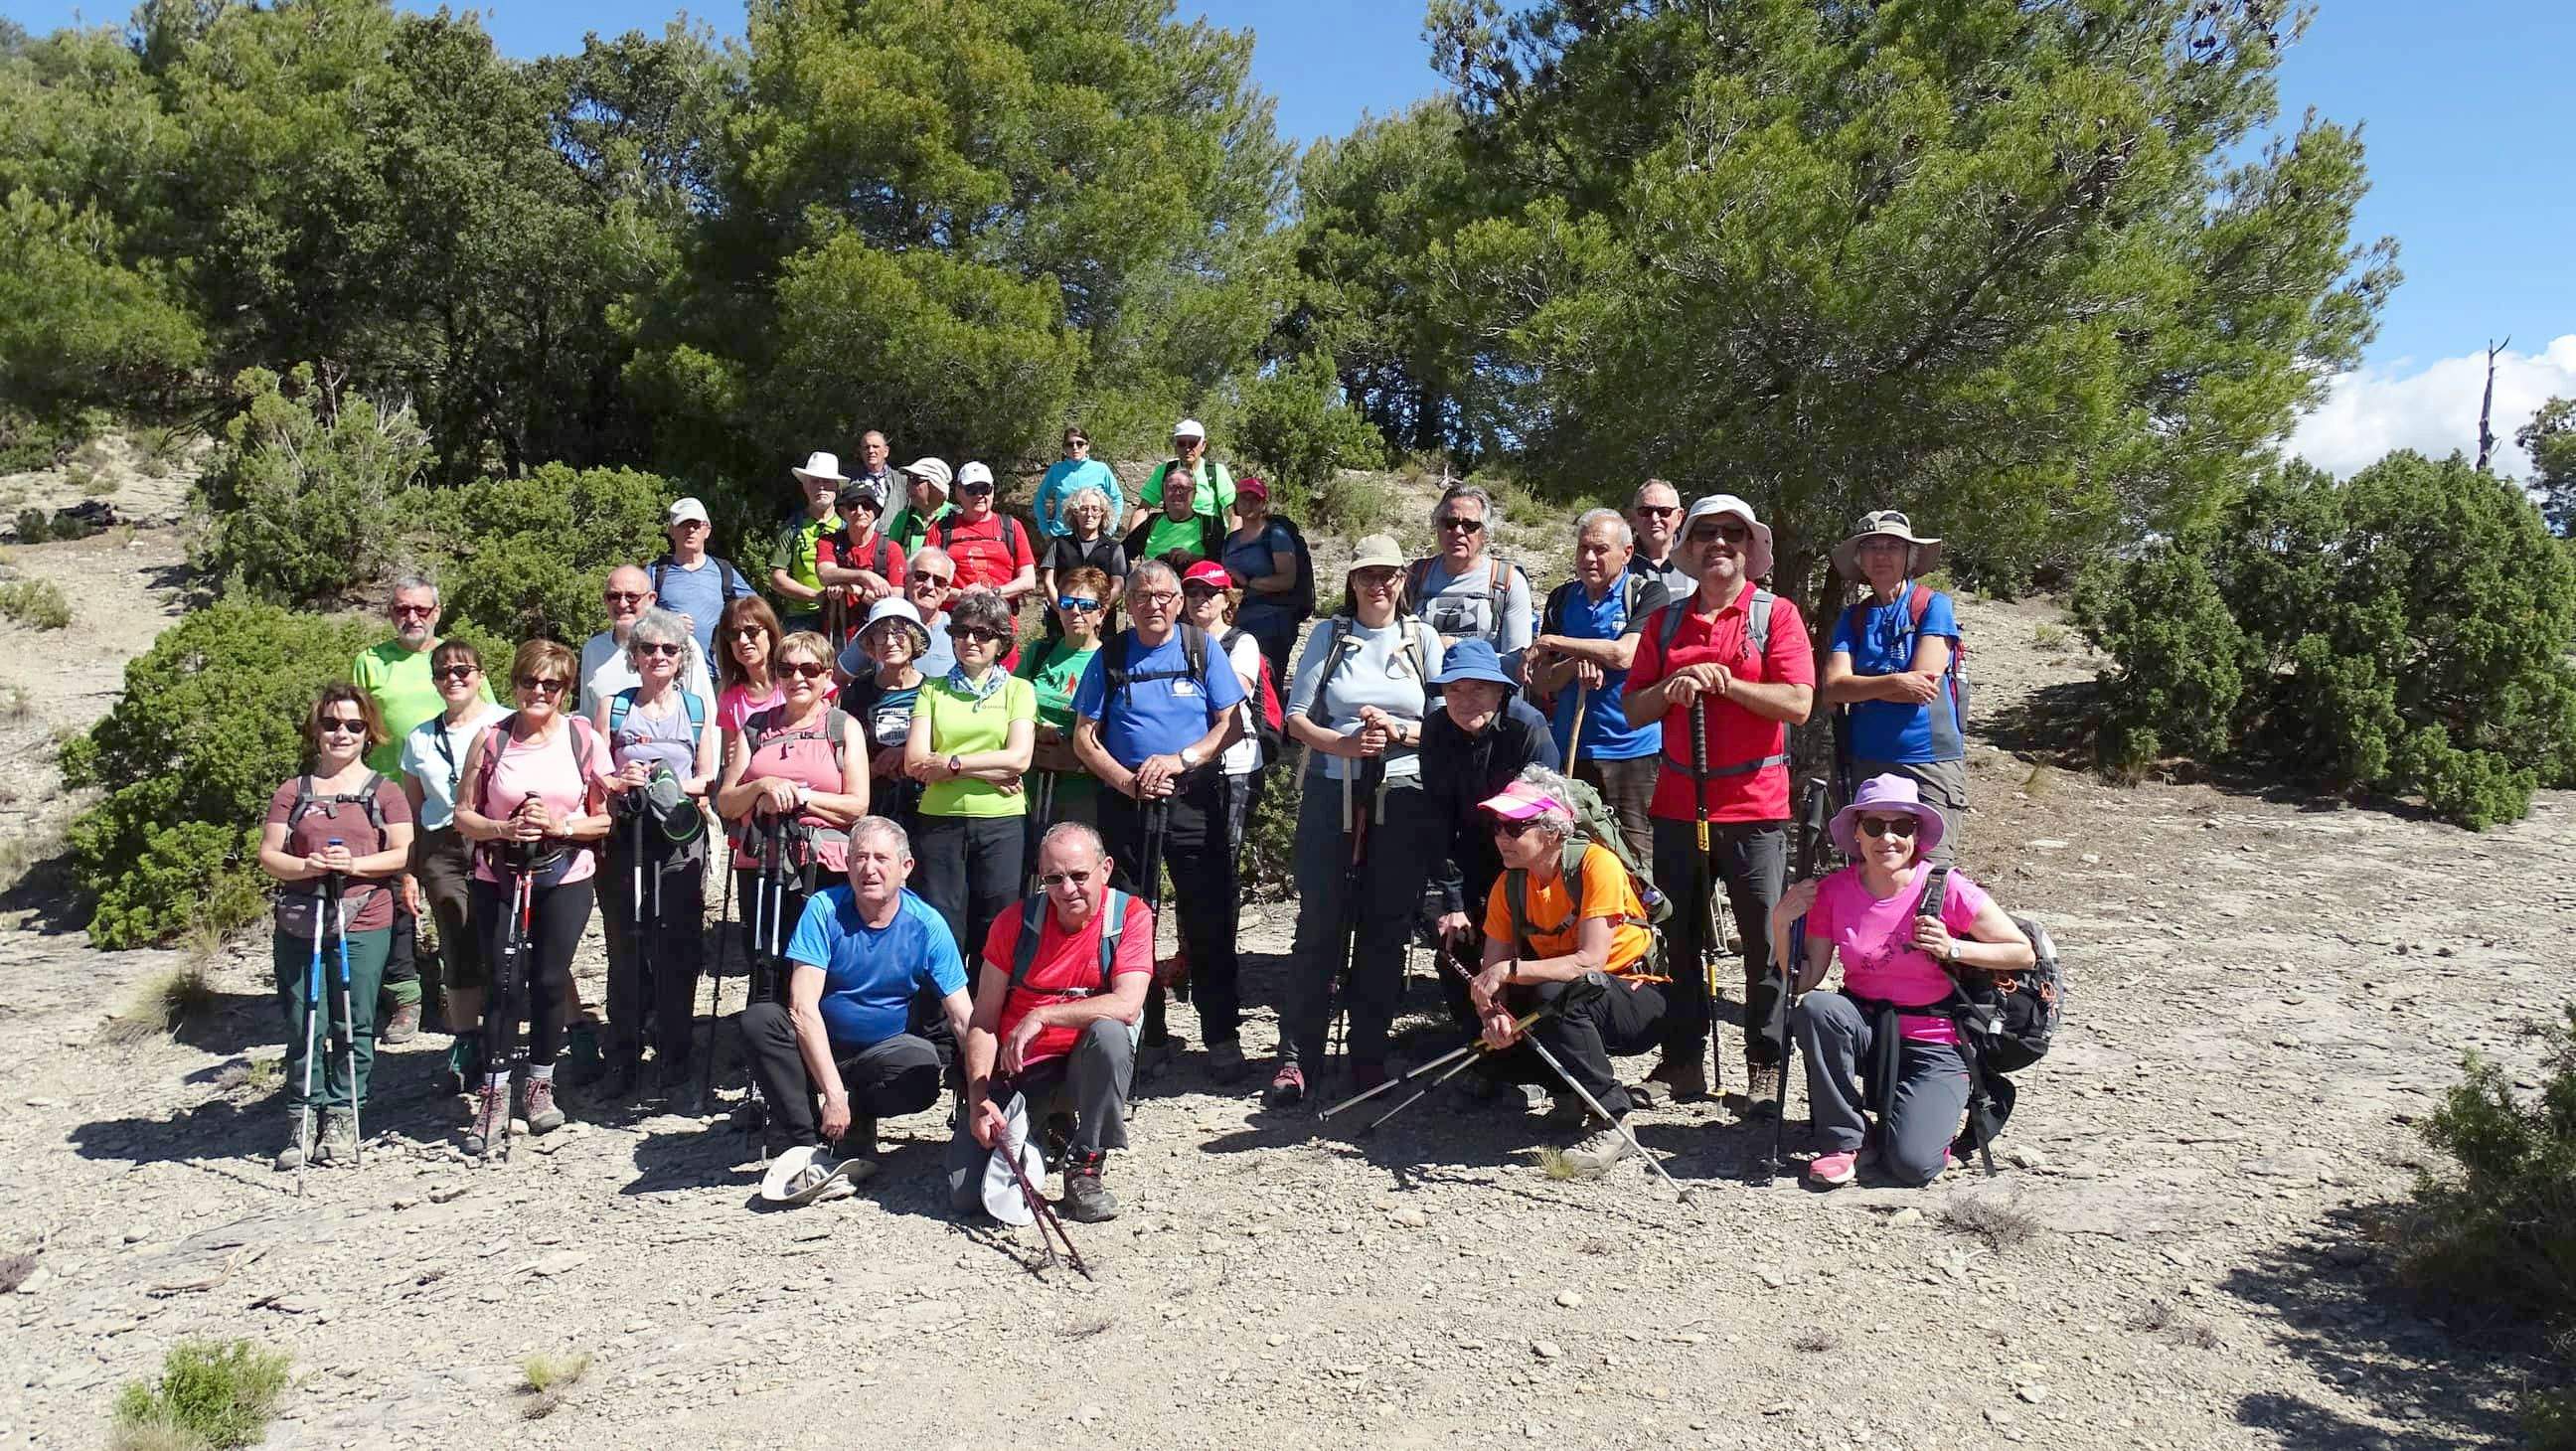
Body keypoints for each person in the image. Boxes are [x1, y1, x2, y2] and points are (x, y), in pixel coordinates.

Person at [1625, 494, 1815, 1103]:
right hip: (1680, 799)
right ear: (1690, 545)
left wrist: (1729, 684)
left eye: (1733, 533)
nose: (1720, 543)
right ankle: (1681, 1060)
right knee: (1678, 936)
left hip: (1756, 804)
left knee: (1764, 937)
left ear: (1749, 546)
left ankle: (1764, 1060)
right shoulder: (1666, 622)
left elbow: (1799, 703)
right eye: (1706, 533)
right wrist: (1673, 688)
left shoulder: (1775, 615)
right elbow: (1633, 708)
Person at [1776, 775, 2031, 1188]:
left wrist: (1954, 949)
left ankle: (1956, 1102)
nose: (1888, 838)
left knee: (1912, 1167)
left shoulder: (1947, 888)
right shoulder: (1834, 891)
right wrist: (1781, 923)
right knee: (1818, 1009)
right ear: (1857, 833)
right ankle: (1844, 1141)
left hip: (1934, 1039)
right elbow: (1803, 981)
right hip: (1865, 1026)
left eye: (1902, 827)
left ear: (1917, 834)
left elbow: (2021, 952)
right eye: (1875, 826)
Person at [1270, 535, 1446, 1105]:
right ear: (1351, 581)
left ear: (1403, 580)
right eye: (1367, 575)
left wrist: (1398, 733)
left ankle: (1369, 1054)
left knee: (1385, 924)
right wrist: (1343, 745)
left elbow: (1445, 724)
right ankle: (1298, 1058)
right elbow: (1296, 717)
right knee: (1319, 922)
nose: (1377, 585)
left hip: (1403, 792)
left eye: (1388, 575)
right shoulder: (1330, 634)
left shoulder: (1423, 639)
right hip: (1332, 787)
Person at [1071, 561, 1247, 1077]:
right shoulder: (1112, 655)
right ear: (1128, 605)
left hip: (1195, 798)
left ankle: (1222, 1036)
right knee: (1131, 922)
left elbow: (1230, 725)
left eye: (1165, 595)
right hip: (1128, 803)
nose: (1155, 604)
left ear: (1179, 601)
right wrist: (1128, 781)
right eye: (1144, 596)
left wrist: (1182, 760)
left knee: (1208, 917)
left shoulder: (1200, 647)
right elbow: (1085, 737)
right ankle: (1146, 1035)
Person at [1461, 768, 1669, 1175]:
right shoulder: (1510, 885)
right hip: (1581, 994)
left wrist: (1510, 970)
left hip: (1639, 996)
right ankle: (1568, 1094)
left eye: (1515, 826)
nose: (1502, 836)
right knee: (1525, 991)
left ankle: (1614, 1119)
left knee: (1554, 991)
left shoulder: (1598, 865)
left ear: (1554, 830)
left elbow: (1590, 960)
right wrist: (1494, 1016)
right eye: (1497, 826)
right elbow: (1490, 977)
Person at [452, 640, 615, 1155]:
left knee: (548, 980)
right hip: (499, 872)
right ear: (516, 683)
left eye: (551, 685)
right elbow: (464, 814)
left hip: (565, 871)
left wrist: (561, 824)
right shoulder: (491, 739)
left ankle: (540, 1082)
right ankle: (495, 1093)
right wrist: (505, 826)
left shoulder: (580, 737)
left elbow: (605, 816)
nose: (539, 692)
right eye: (529, 682)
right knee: (503, 982)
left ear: (566, 690)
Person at [740, 816, 973, 1172]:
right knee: (760, 1021)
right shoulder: (823, 909)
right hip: (819, 1043)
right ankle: (807, 1142)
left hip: (882, 1051)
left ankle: (860, 1115)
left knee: (923, 1064)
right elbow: (802, 1008)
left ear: (906, 867)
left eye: (882, 859)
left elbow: (961, 1017)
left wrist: (988, 1091)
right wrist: (833, 1094)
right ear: (847, 865)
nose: (869, 869)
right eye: (860, 858)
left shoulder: (927, 924)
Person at [947, 823, 1152, 1224]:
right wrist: (978, 1099)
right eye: (1054, 879)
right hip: (1021, 1072)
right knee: (966, 1197)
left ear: (1105, 869)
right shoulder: (1014, 923)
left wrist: (1043, 1015)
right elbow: (984, 1019)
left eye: (1079, 876)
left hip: (1082, 1067)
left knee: (1110, 1032)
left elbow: (1127, 1005)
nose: (1068, 889)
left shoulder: (1129, 916)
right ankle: (1047, 1130)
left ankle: (1085, 1166)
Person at [257, 685, 415, 1170]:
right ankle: (303, 1112)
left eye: (353, 725)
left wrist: (355, 865)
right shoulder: (294, 790)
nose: (341, 733)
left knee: (355, 1019)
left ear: (369, 732)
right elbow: (270, 854)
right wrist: (307, 866)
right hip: (303, 919)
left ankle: (344, 1112)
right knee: (306, 1020)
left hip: (364, 915)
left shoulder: (384, 791)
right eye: (331, 724)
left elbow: (403, 853)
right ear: (317, 729)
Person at [352, 576, 487, 1043]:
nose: (412, 617)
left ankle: (463, 995)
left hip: (455, 807)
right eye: (401, 609)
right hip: (388, 796)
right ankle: (406, 997)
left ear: (437, 611)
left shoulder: (458, 659)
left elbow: (492, 726)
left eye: (421, 610)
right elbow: (357, 725)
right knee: (397, 900)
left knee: (459, 905)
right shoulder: (371, 662)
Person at [593, 607, 721, 1100]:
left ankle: (675, 1050)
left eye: (669, 649)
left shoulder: (694, 709)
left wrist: (670, 784)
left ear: (682, 656)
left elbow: (708, 776)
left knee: (678, 941)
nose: (659, 657)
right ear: (634, 655)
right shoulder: (615, 706)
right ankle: (623, 1053)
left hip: (679, 833)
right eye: (648, 649)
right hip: (627, 831)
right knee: (625, 943)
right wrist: (621, 781)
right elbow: (598, 769)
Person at [714, 631, 871, 1004]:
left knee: (819, 963)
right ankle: (766, 1041)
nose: (797, 678)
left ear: (827, 674)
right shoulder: (755, 726)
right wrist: (763, 786)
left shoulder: (842, 727)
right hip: (762, 861)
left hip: (824, 864)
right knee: (766, 957)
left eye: (809, 669)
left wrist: (801, 799)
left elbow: (858, 806)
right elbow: (727, 802)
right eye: (786, 669)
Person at [1421, 640, 1561, 1024]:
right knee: (1455, 946)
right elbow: (1437, 816)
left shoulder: (1526, 726)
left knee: (1523, 954)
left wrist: (1512, 894)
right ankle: (1480, 1048)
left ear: (1500, 690)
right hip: (1468, 854)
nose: (1465, 700)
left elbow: (1546, 813)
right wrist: (1452, 901)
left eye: (1477, 688)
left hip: (1527, 854)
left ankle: (1530, 1052)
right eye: (1454, 690)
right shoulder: (1435, 729)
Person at [1525, 508, 1669, 867]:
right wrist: (1574, 665)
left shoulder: (1648, 594)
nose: (1588, 558)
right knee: (1571, 853)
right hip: (1571, 748)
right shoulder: (1561, 599)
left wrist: (1557, 642)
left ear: (1627, 553)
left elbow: (1623, 655)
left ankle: (1641, 922)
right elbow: (1540, 681)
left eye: (1600, 549)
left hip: (1632, 751)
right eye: (1582, 548)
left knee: (1635, 856)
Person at [398, 641, 508, 1095]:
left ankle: (550, 1033)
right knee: (457, 941)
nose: (454, 678)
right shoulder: (419, 739)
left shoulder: (504, 724)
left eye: (463, 670)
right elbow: (411, 810)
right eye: (444, 672)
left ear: (481, 674)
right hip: (442, 846)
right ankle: (467, 1042)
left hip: (493, 837)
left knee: (511, 938)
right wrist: (408, 871)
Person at [1823, 511, 1965, 860]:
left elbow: (1923, 685)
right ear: (1860, 560)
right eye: (1871, 547)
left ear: (1909, 557)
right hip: (1866, 759)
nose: (1882, 555)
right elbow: (1832, 688)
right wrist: (1897, 681)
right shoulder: (1852, 617)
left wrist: (1863, 685)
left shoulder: (1933, 605)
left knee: (1932, 866)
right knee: (1873, 866)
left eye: (1892, 546)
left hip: (1928, 760)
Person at [905, 588, 1037, 960]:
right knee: (942, 927)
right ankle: (940, 1018)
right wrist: (988, 771)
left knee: (996, 929)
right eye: (961, 631)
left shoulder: (1019, 690)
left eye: (983, 634)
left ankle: (987, 1016)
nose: (970, 641)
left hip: (1002, 824)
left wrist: (953, 764)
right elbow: (914, 761)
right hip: (940, 822)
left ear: (1001, 641)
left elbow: (1019, 759)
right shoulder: (931, 690)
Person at [1179, 560, 1270, 862]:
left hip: (1234, 765)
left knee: (1225, 855)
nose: (1200, 598)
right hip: (1190, 761)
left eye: (1209, 592)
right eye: (1192, 591)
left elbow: (1234, 692)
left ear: (1226, 599)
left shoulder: (1242, 642)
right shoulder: (1175, 642)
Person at [1017, 565, 1112, 852]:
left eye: (1087, 606)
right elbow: (1011, 703)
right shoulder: (1039, 652)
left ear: (1102, 613)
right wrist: (1036, 729)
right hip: (1028, 774)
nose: (1075, 612)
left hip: (1080, 781)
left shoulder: (1111, 660)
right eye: (1068, 603)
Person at [1405, 483, 1533, 675]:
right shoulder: (1414, 576)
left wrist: (1457, 649)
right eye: (1449, 523)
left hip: (1482, 698)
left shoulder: (1509, 582)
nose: (1458, 531)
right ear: (1437, 528)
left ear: (1485, 534)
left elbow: (1518, 661)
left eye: (1470, 525)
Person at [578, 565, 718, 726]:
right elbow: (586, 719)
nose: (622, 604)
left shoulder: (678, 645)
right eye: (614, 596)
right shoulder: (593, 650)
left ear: (651, 599)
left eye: (632, 596)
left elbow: (707, 717)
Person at [844, 599, 932, 834]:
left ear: (914, 638)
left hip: (924, 805)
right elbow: (845, 753)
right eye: (881, 635)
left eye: (899, 633)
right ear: (871, 644)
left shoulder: (934, 691)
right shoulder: (857, 692)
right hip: (872, 804)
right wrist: (875, 767)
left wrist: (907, 756)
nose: (890, 642)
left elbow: (945, 746)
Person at [649, 497, 758, 662]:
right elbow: (634, 615)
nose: (691, 530)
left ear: (707, 530)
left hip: (717, 672)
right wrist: (667, 622)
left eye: (696, 525)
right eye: (683, 525)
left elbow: (755, 608)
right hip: (668, 669)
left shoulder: (724, 571)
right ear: (671, 531)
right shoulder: (654, 572)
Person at [1219, 475, 1305, 687]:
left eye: (1254, 499)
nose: (1248, 503)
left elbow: (1287, 579)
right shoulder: (1231, 539)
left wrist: (1248, 582)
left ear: (1263, 504)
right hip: (1238, 618)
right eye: (1243, 498)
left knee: (1267, 681)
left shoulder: (1276, 535)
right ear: (1235, 503)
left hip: (1271, 620)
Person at [928, 462, 1038, 611]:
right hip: (956, 618)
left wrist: (993, 593)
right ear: (959, 492)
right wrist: (963, 595)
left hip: (1000, 617)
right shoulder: (942, 529)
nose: (979, 495)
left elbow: (1029, 580)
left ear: (992, 491)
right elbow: (927, 579)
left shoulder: (1011, 527)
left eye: (984, 489)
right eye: (972, 490)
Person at [815, 476, 908, 641]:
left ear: (875, 512)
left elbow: (894, 599)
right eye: (852, 506)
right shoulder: (828, 541)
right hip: (837, 635)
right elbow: (825, 574)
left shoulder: (891, 549)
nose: (859, 511)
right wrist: (865, 576)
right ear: (842, 512)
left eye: (866, 506)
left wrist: (853, 588)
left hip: (878, 637)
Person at [770, 451, 848, 634]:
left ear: (837, 488)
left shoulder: (848, 528)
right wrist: (814, 596)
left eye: (827, 482)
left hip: (842, 616)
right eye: (814, 481)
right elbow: (776, 578)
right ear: (805, 487)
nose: (821, 487)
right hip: (800, 619)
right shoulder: (792, 527)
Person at [1037, 484, 1128, 630]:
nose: (1089, 514)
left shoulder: (1114, 548)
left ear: (1103, 513)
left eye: (1095, 509)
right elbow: (1048, 583)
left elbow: (1118, 587)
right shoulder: (1059, 544)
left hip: (1102, 627)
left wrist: (1097, 612)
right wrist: (1063, 612)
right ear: (1074, 513)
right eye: (1084, 509)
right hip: (1061, 625)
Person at [1125, 417, 1235, 538]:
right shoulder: (1165, 471)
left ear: (1203, 446)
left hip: (1209, 541)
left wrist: (1233, 545)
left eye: (1193, 443)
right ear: (1176, 446)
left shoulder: (1216, 472)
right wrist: (1131, 545)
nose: (1187, 448)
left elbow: (1232, 511)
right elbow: (1143, 509)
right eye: (1182, 443)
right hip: (1171, 538)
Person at [714, 595, 788, 753]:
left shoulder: (796, 678)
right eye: (733, 634)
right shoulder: (729, 697)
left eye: (751, 631)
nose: (742, 640)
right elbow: (730, 762)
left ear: (770, 632)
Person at [1125, 455, 1225, 565]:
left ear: (1194, 493)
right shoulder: (1152, 522)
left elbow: (1220, 562)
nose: (1177, 493)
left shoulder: (1209, 525)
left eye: (1183, 488)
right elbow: (1123, 552)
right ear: (1163, 492)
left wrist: (1192, 558)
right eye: (1171, 488)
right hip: (1153, 578)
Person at [1035, 424, 1123, 539]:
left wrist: (1110, 529)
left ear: (1087, 446)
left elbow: (1117, 498)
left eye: (1080, 444)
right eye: (1070, 444)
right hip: (1061, 536)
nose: (1075, 448)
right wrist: (1045, 531)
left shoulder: (1101, 469)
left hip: (1093, 537)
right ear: (1065, 448)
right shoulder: (1056, 470)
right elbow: (1039, 500)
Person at [1628, 479, 1693, 597]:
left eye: (1664, 511)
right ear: (1634, 517)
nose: (1654, 518)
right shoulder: (1621, 563)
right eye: (1646, 511)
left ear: (1679, 517)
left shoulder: (1697, 559)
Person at [886, 457, 956, 553]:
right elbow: (890, 557)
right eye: (908, 479)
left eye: (915, 480)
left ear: (935, 485)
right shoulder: (903, 518)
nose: (908, 486)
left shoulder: (956, 518)